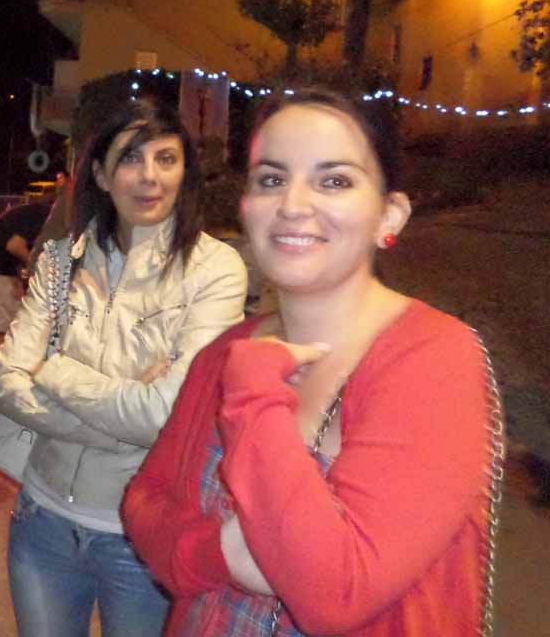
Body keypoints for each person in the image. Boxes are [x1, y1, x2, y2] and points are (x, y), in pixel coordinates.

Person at [122, 88, 501, 636]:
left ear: (389, 215)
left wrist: (253, 390)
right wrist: (219, 554)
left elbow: (337, 593)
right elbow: (144, 501)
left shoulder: (434, 358)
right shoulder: (222, 353)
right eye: (271, 179)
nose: (293, 205)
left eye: (335, 181)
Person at [0, 99, 248, 637]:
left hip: (140, 537)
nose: (150, 176)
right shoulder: (61, 261)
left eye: (166, 158)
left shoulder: (215, 271)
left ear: (185, 173)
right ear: (102, 176)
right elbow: (6, 384)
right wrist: (129, 412)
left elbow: (163, 418)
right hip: (41, 520)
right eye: (131, 158)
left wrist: (53, 370)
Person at [0, 200, 52, 370]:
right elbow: (14, 246)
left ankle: (2, 374)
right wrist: (37, 267)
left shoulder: (36, 212)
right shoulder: (42, 215)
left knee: (5, 328)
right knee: (0, 331)